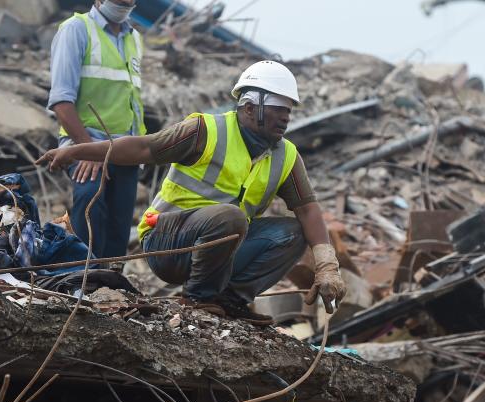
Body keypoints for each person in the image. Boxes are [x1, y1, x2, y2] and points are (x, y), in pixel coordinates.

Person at [36, 60, 347, 325]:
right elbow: (145, 147)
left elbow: (307, 209)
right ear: (251, 108)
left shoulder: (286, 155)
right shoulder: (204, 131)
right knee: (230, 216)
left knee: (293, 232)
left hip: (223, 248)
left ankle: (229, 300)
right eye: (279, 108)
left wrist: (327, 265)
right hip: (167, 243)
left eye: (289, 109)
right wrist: (80, 151)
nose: (286, 117)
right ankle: (197, 299)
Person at [47, 0, 144, 259]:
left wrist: (140, 150)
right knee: (90, 203)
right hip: (86, 142)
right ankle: (80, 276)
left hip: (126, 149)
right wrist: (88, 149)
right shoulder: (76, 29)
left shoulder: (134, 38)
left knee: (119, 227)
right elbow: (61, 100)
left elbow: (132, 100)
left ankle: (109, 290)